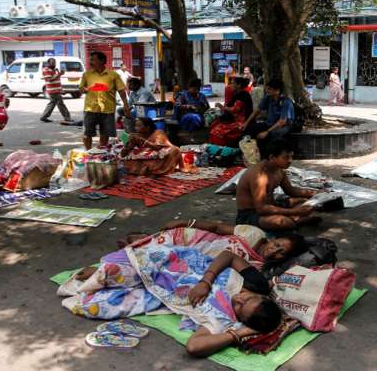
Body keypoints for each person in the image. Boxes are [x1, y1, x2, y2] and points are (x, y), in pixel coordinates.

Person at [58, 244, 282, 357]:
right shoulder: (256, 284)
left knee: (94, 307)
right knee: (114, 271)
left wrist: (237, 334)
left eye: (239, 307)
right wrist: (206, 280)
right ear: (259, 295)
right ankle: (102, 273)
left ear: (241, 320)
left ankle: (100, 280)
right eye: (248, 298)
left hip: (161, 294)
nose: (239, 298)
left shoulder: (224, 319)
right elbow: (228, 255)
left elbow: (194, 347)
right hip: (171, 265)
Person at [76, 219, 307, 281]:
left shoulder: (259, 267)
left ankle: (136, 245)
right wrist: (183, 223)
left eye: (281, 253)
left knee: (154, 261)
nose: (274, 251)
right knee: (146, 247)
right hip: (193, 239)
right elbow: (216, 227)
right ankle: (102, 267)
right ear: (274, 239)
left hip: (192, 261)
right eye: (277, 245)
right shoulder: (253, 234)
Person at [236, 139, 321, 231]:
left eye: (291, 157)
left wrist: (315, 193)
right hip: (251, 214)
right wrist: (294, 211)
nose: (290, 160)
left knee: (307, 203)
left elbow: (291, 190)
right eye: (286, 157)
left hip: (272, 206)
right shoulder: (259, 176)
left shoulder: (279, 170)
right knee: (282, 222)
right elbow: (261, 208)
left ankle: (294, 219)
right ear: (272, 157)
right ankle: (296, 220)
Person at [79, 51, 129, 149]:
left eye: (93, 60)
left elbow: (121, 91)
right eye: (90, 60)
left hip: (108, 109)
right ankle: (88, 152)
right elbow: (81, 88)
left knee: (105, 133)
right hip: (90, 108)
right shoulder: (87, 74)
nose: (90, 62)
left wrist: (126, 105)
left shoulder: (113, 75)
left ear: (102, 61)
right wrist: (84, 89)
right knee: (87, 133)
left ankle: (101, 152)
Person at [244, 78, 295, 144]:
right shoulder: (267, 97)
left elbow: (282, 122)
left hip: (284, 126)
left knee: (273, 135)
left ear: (277, 90)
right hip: (270, 123)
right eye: (267, 88)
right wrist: (246, 123)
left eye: (269, 89)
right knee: (251, 128)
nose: (267, 90)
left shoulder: (286, 102)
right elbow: (257, 110)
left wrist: (267, 132)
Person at [208, 77, 253, 147]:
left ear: (239, 85)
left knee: (216, 131)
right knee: (214, 124)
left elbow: (235, 109)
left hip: (242, 123)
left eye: (232, 83)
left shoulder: (243, 94)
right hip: (235, 120)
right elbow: (228, 105)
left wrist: (222, 107)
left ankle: (220, 149)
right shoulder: (237, 94)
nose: (230, 85)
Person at [40, 58, 72, 123]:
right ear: (48, 63)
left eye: (54, 62)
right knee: (60, 104)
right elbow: (50, 79)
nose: (54, 64)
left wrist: (61, 89)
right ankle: (67, 117)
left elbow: (58, 80)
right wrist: (59, 74)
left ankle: (44, 116)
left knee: (53, 104)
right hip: (52, 91)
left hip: (56, 90)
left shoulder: (55, 70)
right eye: (52, 63)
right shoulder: (46, 70)